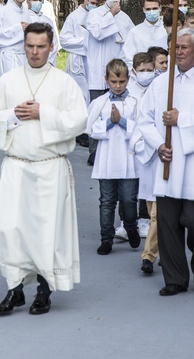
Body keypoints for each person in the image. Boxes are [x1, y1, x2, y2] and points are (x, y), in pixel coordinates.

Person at [0, 22, 88, 316]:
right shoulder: (9, 80)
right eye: (30, 46)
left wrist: (45, 113)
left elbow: (80, 119)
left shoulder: (63, 82)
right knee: (8, 228)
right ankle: (14, 290)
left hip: (49, 168)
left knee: (46, 233)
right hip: (17, 168)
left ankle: (43, 292)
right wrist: (12, 115)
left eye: (41, 46)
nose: (35, 52)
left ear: (51, 47)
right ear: (23, 46)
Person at [137, 28, 194, 296]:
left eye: (184, 48)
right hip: (168, 163)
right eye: (175, 47)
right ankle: (175, 278)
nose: (178, 52)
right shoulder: (160, 83)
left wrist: (181, 119)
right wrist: (159, 145)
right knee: (167, 224)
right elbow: (145, 119)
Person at [87, 59, 141, 255]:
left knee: (129, 199)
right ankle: (106, 238)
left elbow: (143, 128)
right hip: (107, 158)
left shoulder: (135, 102)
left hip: (129, 158)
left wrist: (124, 122)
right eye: (113, 82)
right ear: (106, 80)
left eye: (122, 82)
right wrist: (109, 122)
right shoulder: (99, 103)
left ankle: (131, 225)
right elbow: (90, 129)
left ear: (128, 80)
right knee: (107, 200)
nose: (118, 87)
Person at [84, 0, 135, 161]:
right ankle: (94, 151)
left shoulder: (125, 18)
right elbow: (97, 33)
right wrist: (110, 16)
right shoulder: (94, 14)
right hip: (98, 71)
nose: (114, 0)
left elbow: (131, 43)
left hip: (117, 74)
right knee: (97, 111)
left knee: (116, 110)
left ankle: (115, 150)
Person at [126, 52, 160, 272]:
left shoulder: (161, 90)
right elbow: (138, 125)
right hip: (145, 156)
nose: (146, 75)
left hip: (163, 155)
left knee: (158, 213)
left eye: (151, 70)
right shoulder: (130, 93)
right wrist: (140, 145)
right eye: (143, 70)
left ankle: (148, 255)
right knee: (151, 211)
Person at [60, 0, 101, 104]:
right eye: (92, 3)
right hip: (77, 60)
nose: (94, 6)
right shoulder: (74, 17)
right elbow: (64, 40)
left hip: (93, 59)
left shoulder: (98, 16)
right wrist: (84, 42)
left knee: (91, 92)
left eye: (97, 4)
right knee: (78, 93)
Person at [123, 0, 165, 69]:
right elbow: (128, 59)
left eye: (155, 8)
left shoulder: (167, 30)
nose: (151, 12)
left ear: (160, 8)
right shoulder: (135, 32)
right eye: (148, 9)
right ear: (143, 10)